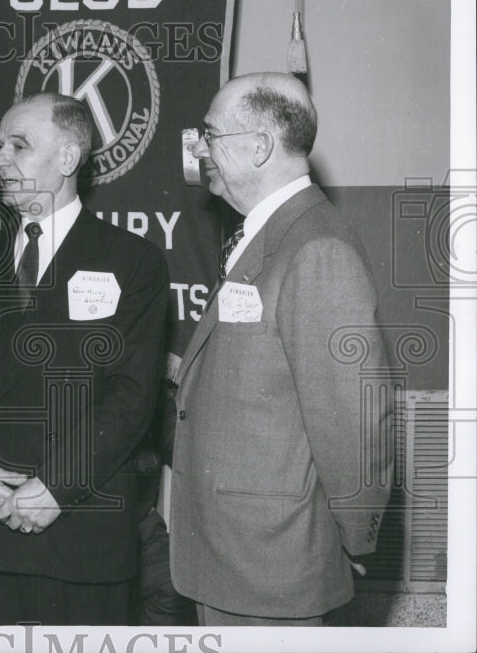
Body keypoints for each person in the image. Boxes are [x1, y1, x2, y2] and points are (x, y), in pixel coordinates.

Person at [0, 92, 170, 625]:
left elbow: (130, 397)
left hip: (82, 532)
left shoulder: (133, 262)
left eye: (18, 145)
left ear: (66, 159)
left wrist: (56, 488)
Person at [169, 72, 394, 625]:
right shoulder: (273, 234)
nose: (199, 149)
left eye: (210, 135)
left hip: (271, 566)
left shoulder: (316, 248)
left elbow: (356, 418)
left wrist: (356, 539)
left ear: (260, 147)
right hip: (236, 557)